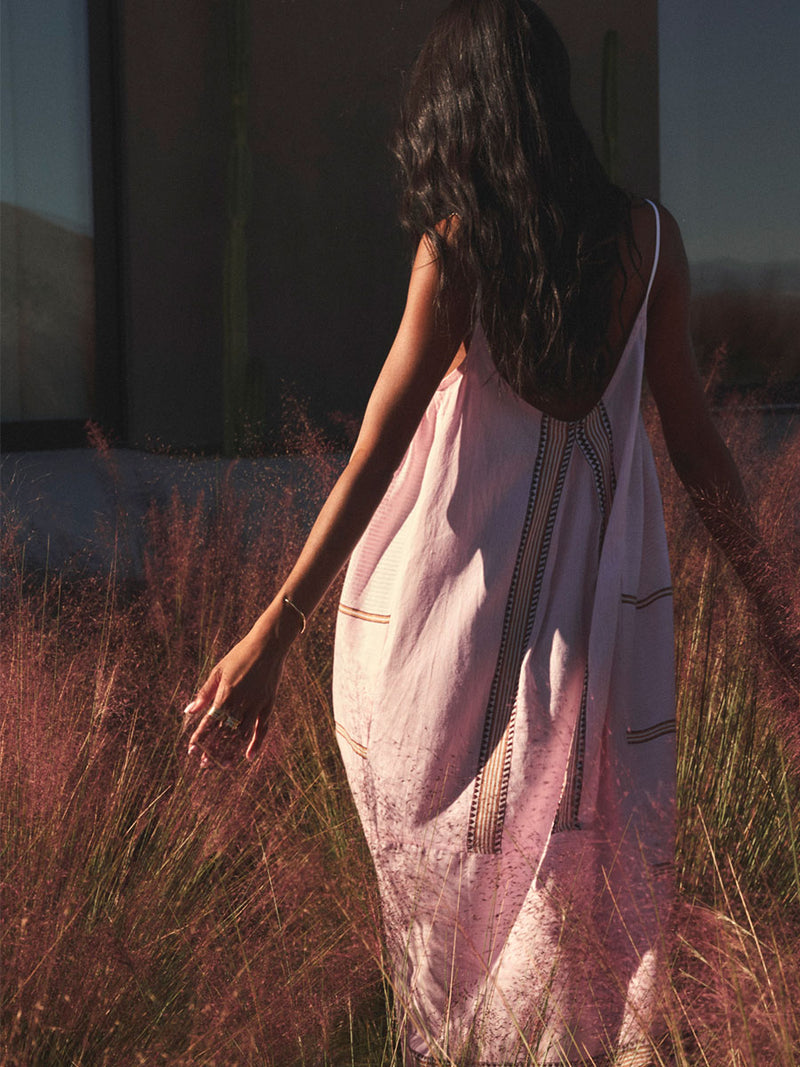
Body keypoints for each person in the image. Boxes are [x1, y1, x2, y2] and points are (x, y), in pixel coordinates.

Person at [185, 2, 797, 1063]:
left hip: (450, 632)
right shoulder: (645, 243)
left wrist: (270, 638)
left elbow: (376, 450)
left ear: (462, 113)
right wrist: (771, 616)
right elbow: (695, 445)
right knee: (573, 882)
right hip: (593, 639)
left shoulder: (454, 252)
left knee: (454, 899)